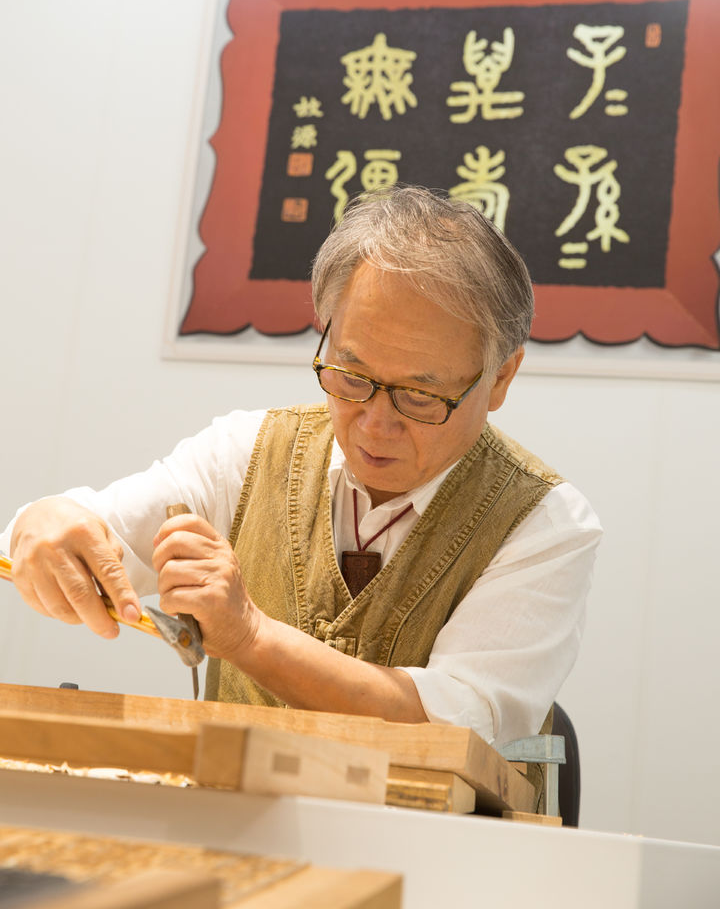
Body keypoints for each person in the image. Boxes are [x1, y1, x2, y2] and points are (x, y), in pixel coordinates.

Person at [1, 186, 600, 754]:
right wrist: (45, 521)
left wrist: (250, 638)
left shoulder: (545, 522)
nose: (374, 422)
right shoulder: (247, 450)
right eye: (351, 375)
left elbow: (451, 723)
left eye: (420, 396)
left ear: (500, 378)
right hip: (238, 830)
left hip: (434, 849)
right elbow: (88, 535)